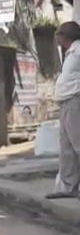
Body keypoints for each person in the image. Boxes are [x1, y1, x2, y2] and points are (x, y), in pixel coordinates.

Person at [48, 21, 80, 200]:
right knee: (67, 148)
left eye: (58, 35)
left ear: (65, 36)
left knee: (78, 145)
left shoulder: (78, 51)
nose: (57, 38)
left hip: (75, 101)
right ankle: (69, 187)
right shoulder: (71, 53)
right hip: (66, 103)